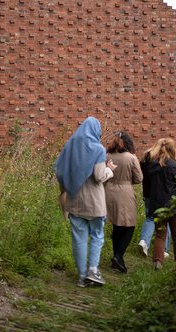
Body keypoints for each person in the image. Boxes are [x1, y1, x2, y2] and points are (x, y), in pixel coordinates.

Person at [55, 116, 115, 287]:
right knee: (97, 235)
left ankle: (82, 277)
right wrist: (109, 170)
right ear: (96, 131)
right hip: (94, 202)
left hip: (74, 200)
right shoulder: (98, 149)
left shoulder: (70, 146)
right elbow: (98, 176)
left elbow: (60, 171)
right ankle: (93, 270)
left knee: (79, 239)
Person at [141, 138, 176, 269]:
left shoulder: (153, 165)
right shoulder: (174, 166)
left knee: (160, 235)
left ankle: (158, 262)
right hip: (174, 207)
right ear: (173, 149)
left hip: (157, 206)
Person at [103, 131, 142, 273]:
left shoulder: (107, 156)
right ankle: (118, 256)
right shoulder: (131, 158)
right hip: (125, 193)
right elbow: (139, 178)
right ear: (128, 143)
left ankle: (116, 258)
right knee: (129, 225)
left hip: (108, 191)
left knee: (116, 225)